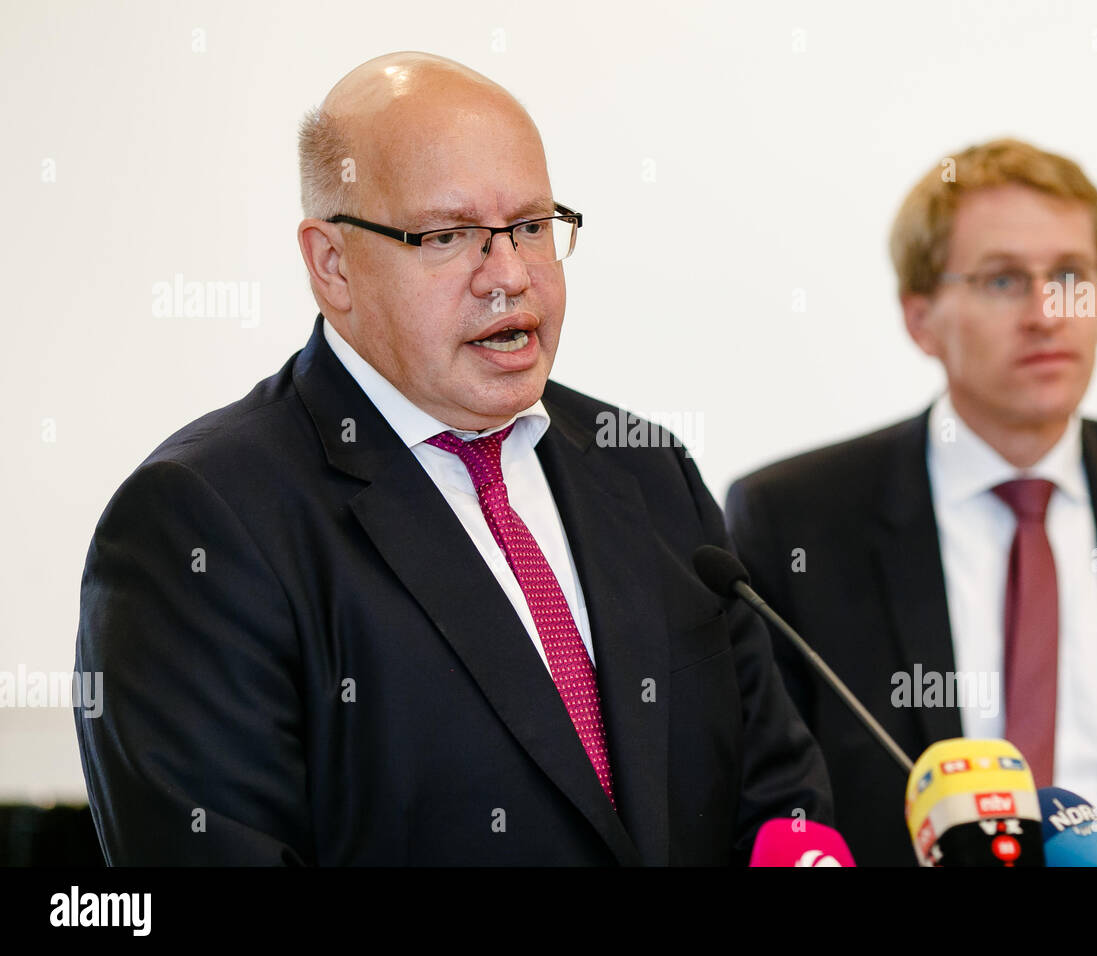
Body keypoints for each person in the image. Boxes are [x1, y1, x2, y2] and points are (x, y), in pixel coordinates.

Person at [74, 52, 831, 865]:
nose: (508, 276)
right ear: (332, 264)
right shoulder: (204, 519)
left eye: (532, 227)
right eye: (448, 235)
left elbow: (778, 793)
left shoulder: (644, 467)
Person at [725, 138, 1097, 866]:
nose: (1045, 313)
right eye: (1002, 281)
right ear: (920, 316)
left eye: (1070, 275)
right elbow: (778, 814)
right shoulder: (795, 520)